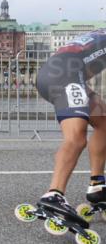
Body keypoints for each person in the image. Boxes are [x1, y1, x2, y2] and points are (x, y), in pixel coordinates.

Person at [35, 28, 106, 221]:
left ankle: (98, 185)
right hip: (67, 76)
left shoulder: (101, 33)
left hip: (63, 73)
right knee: (76, 137)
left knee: (104, 121)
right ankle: (54, 193)